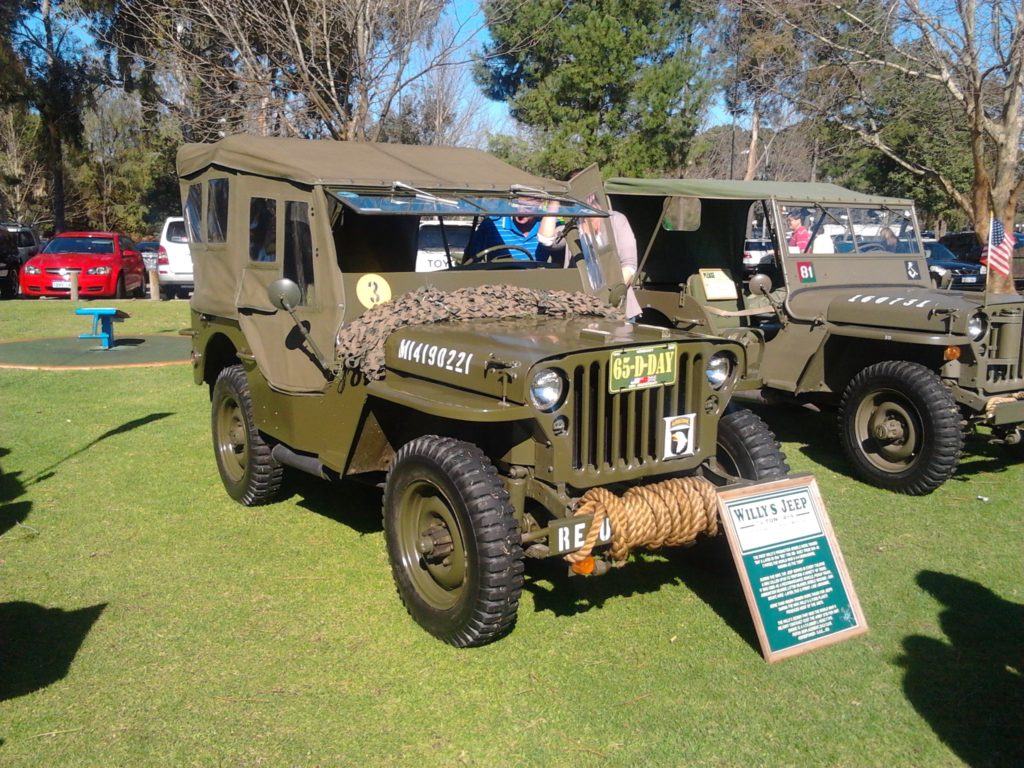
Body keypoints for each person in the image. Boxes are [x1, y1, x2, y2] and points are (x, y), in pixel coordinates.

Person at [465, 201, 560, 261]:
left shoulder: (550, 224)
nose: (520, 211)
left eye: (528, 207)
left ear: (540, 205)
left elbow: (561, 263)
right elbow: (471, 260)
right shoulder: (491, 224)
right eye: (516, 205)